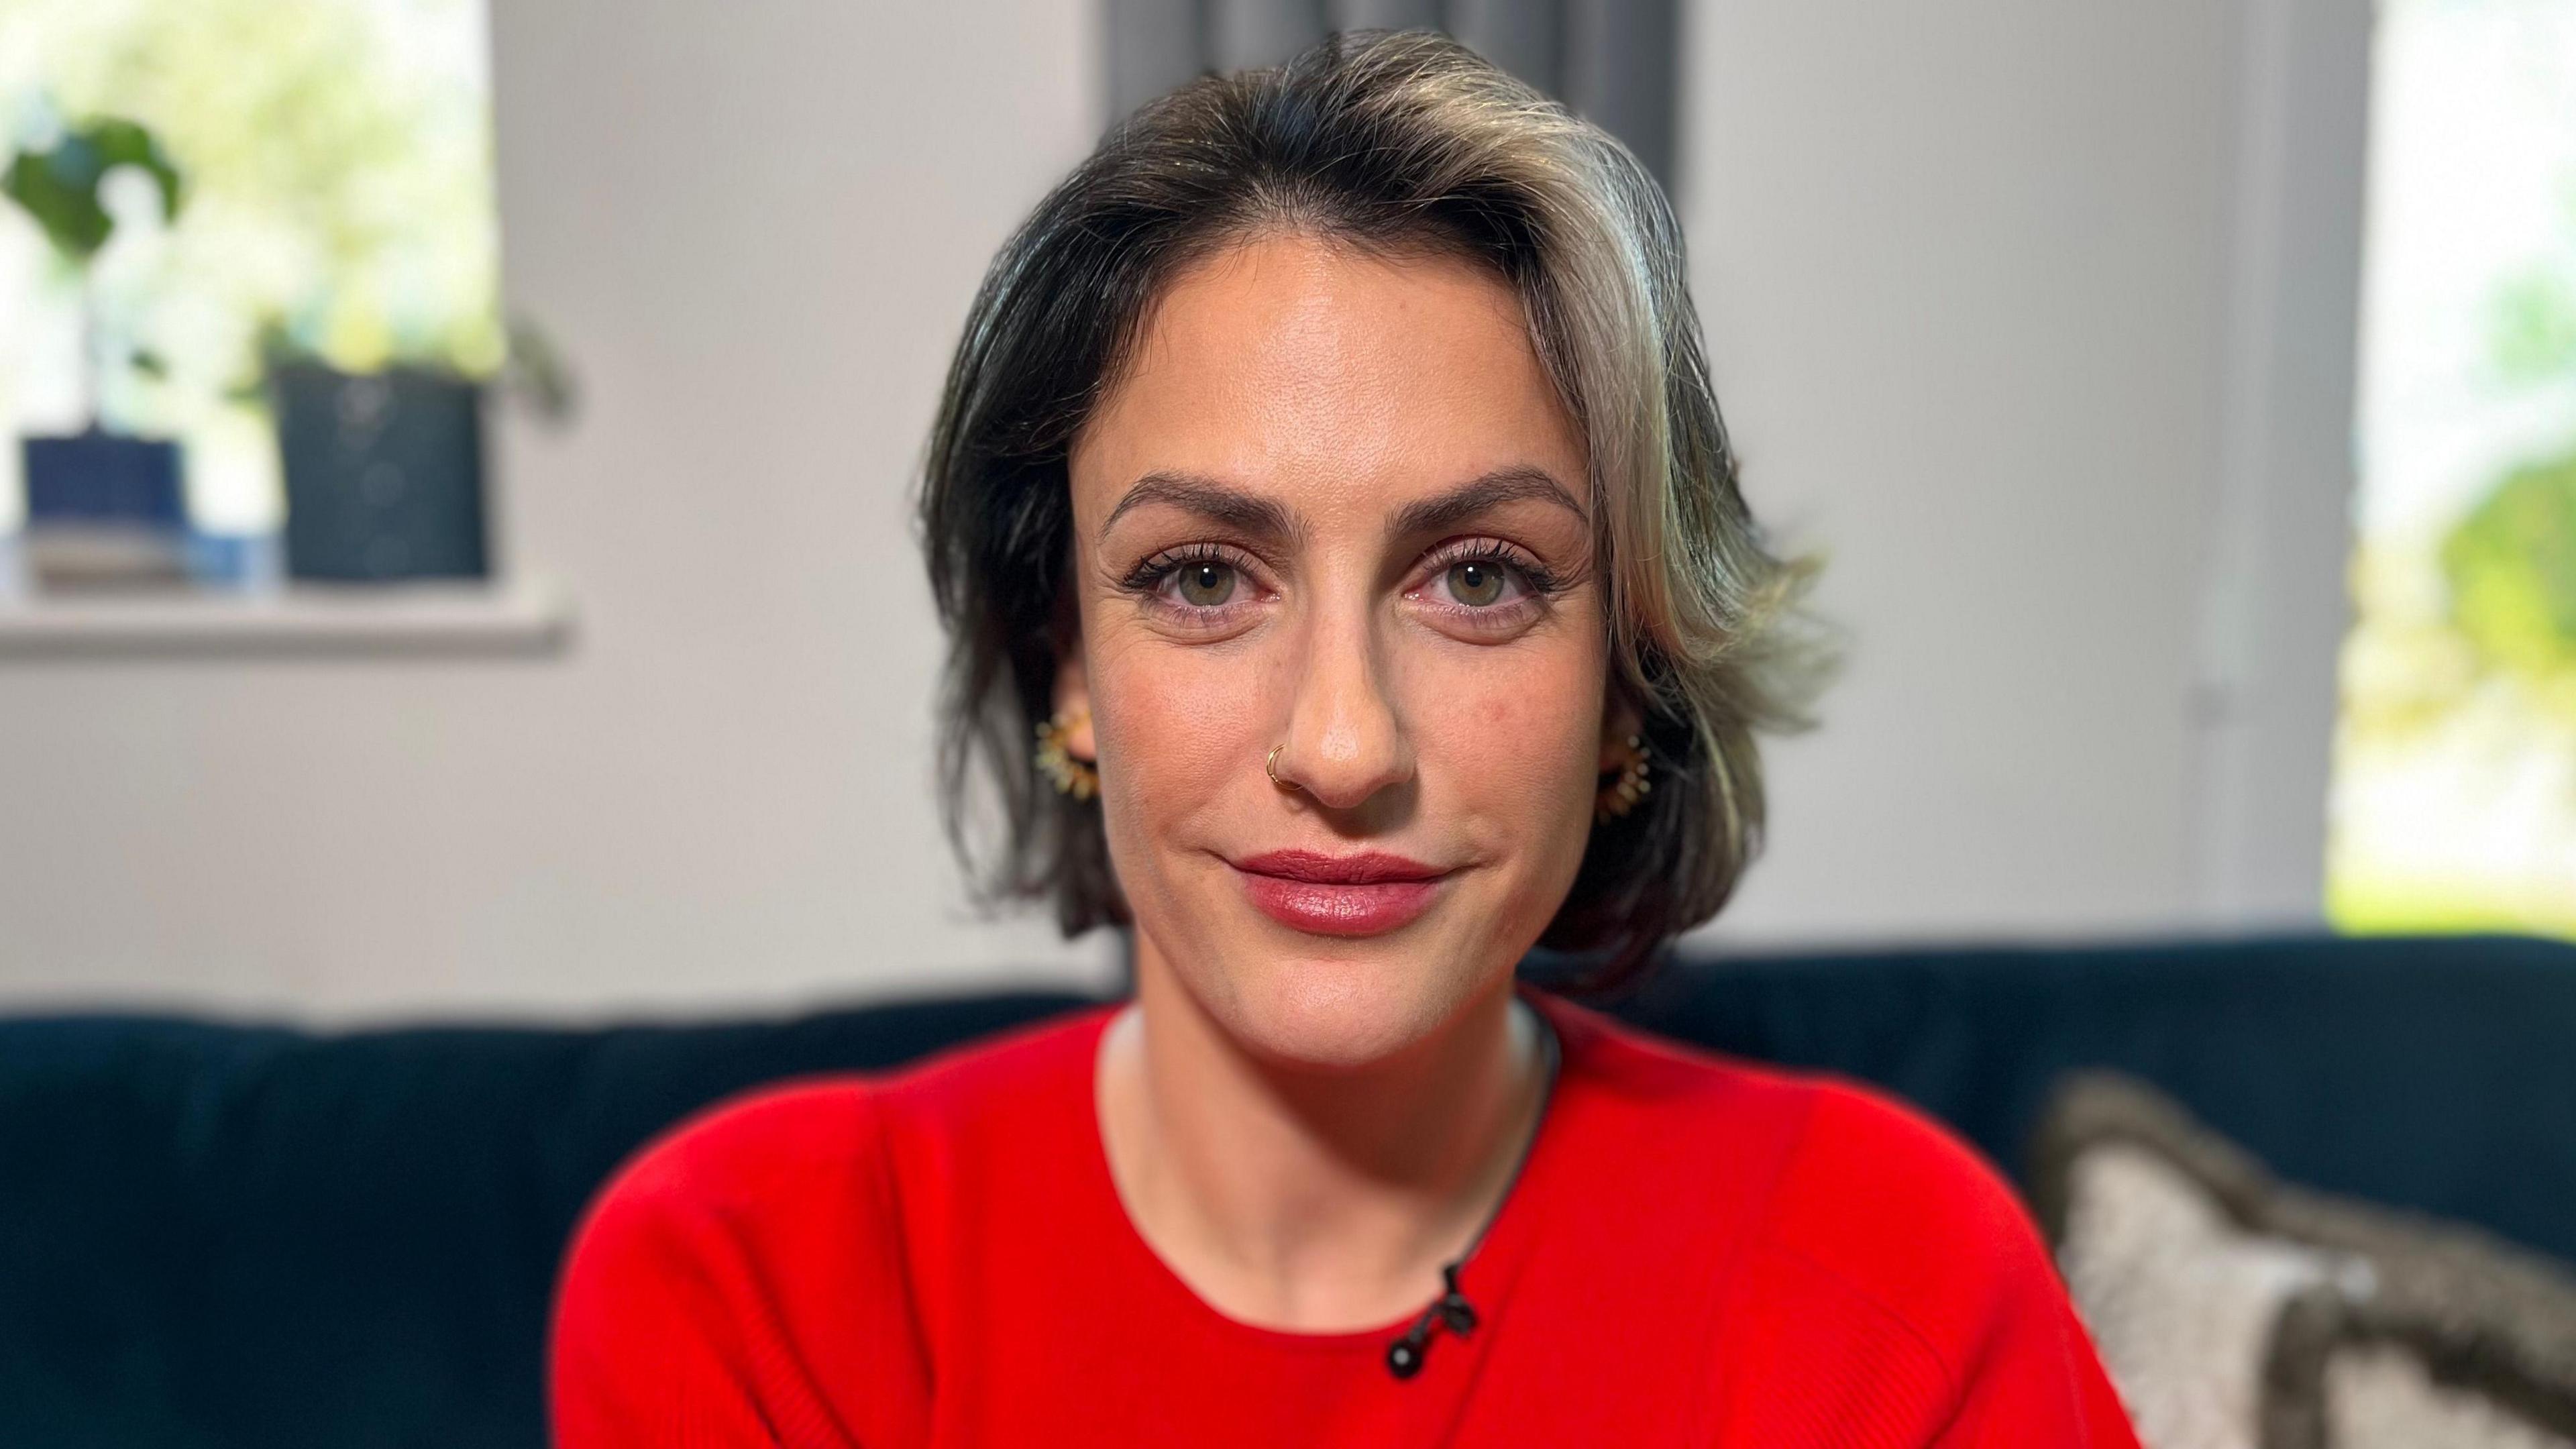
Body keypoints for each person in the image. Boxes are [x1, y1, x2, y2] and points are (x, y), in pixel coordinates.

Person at [549, 29, 2140, 1447]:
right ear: (1067, 668)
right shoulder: (755, 1286)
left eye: (1480, 578)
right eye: (1201, 578)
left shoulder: (1897, 1285)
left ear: (1625, 685)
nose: (1342, 742)